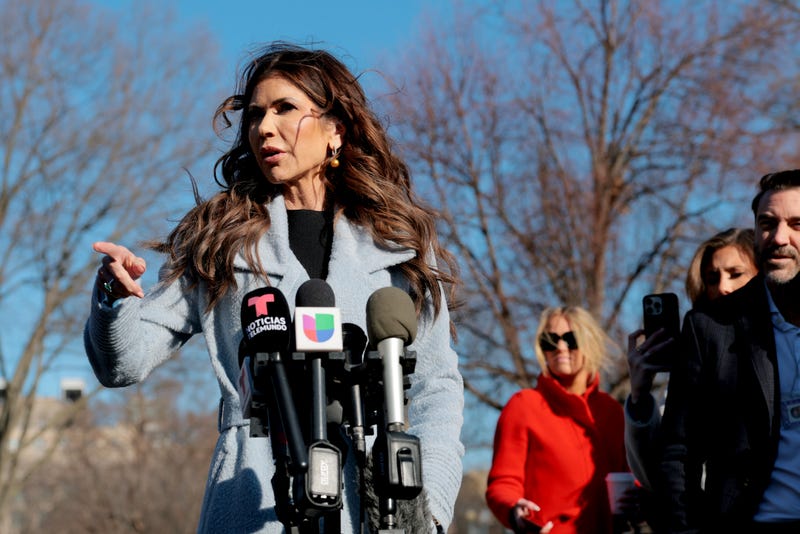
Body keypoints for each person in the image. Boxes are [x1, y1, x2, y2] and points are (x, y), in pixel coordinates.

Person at [83, 43, 464, 533]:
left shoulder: (400, 246)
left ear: (336, 131)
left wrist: (424, 511)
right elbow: (124, 362)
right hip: (253, 500)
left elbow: (436, 387)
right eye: (257, 113)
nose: (264, 126)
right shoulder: (220, 237)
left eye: (285, 108)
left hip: (372, 508)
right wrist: (114, 298)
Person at [659, 169, 800, 531]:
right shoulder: (711, 325)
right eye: (767, 223)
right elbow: (678, 450)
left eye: (797, 224)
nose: (779, 237)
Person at [624, 228, 758, 491]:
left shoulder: (788, 345)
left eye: (736, 274)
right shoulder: (693, 364)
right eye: (712, 278)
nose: (723, 287)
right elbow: (661, 473)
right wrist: (640, 397)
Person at [485, 306, 630, 534]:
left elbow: (629, 477)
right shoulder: (523, 405)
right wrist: (515, 510)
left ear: (590, 343)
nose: (560, 347)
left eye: (570, 339)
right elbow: (503, 483)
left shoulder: (612, 411)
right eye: (550, 341)